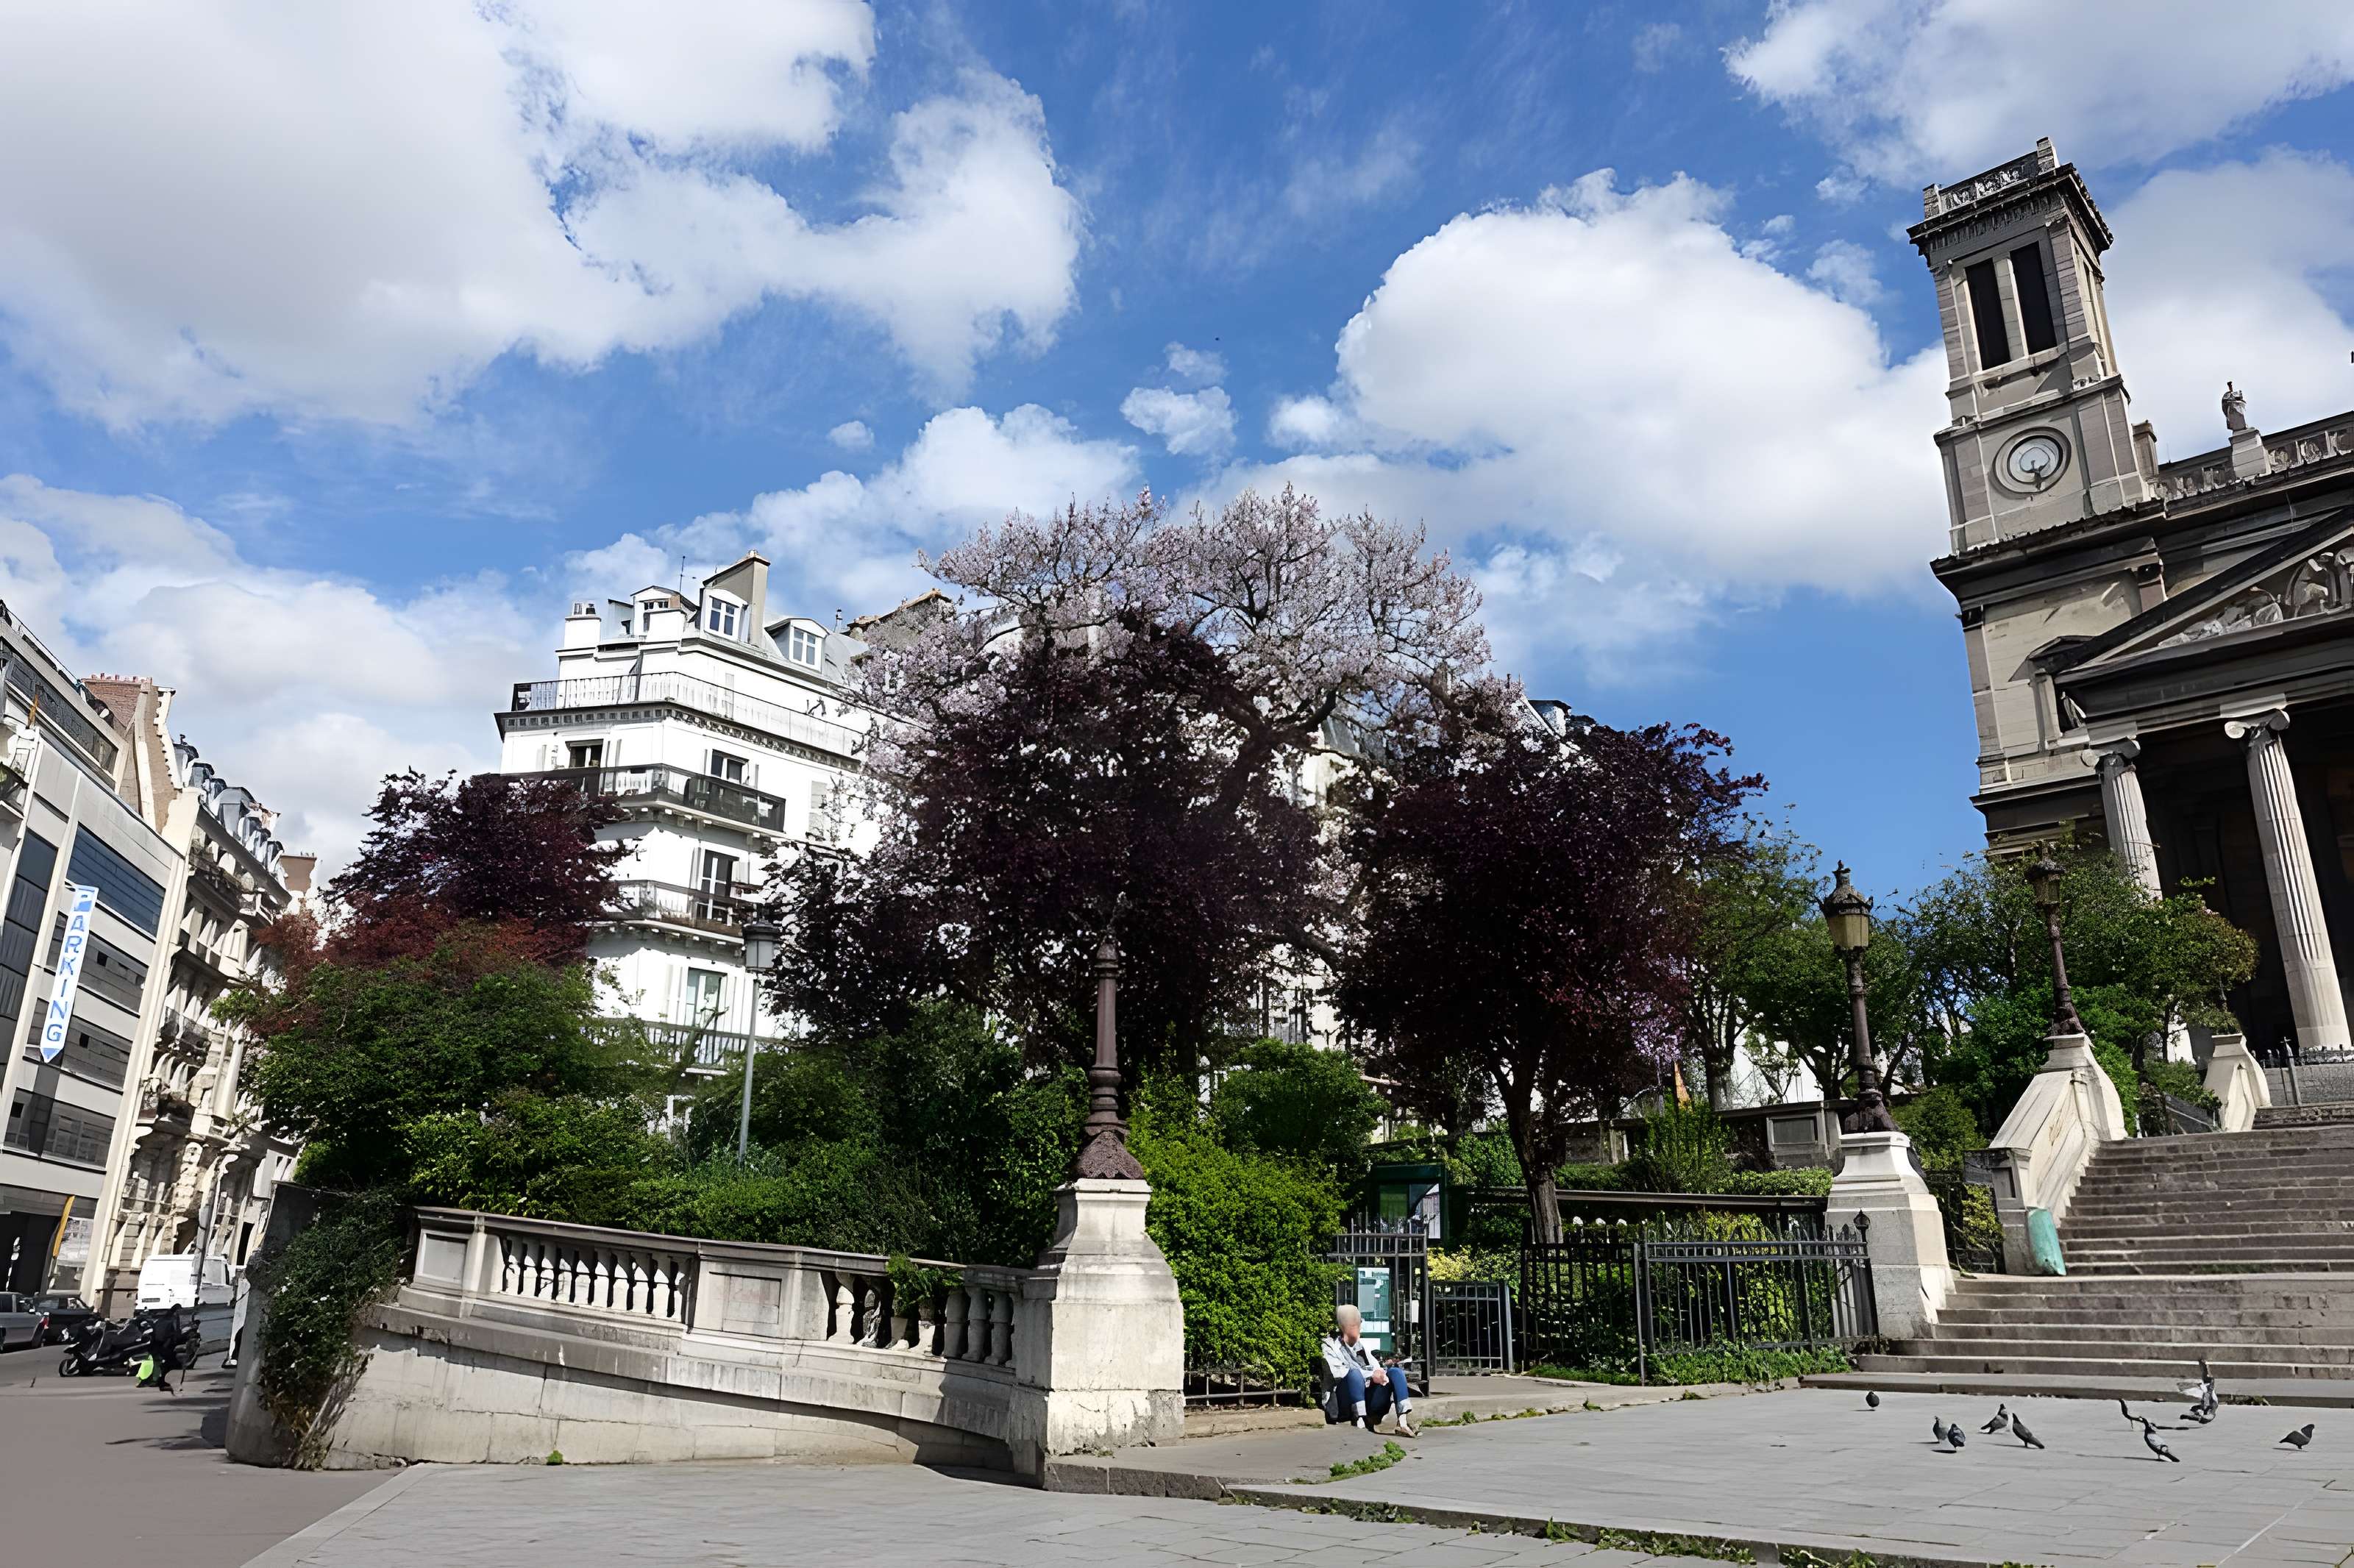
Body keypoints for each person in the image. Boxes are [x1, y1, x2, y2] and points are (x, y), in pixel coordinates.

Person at [1319, 1303, 1415, 1436]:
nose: (1358, 1327)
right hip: (1345, 1401)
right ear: (1342, 1326)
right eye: (1353, 1324)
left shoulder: (1360, 1346)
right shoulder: (1329, 1346)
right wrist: (1371, 1376)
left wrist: (1382, 1373)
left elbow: (1375, 1367)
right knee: (1354, 1374)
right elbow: (1340, 1373)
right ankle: (1360, 1419)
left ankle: (1403, 1422)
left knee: (1396, 1373)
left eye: (1358, 1323)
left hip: (1367, 1396)